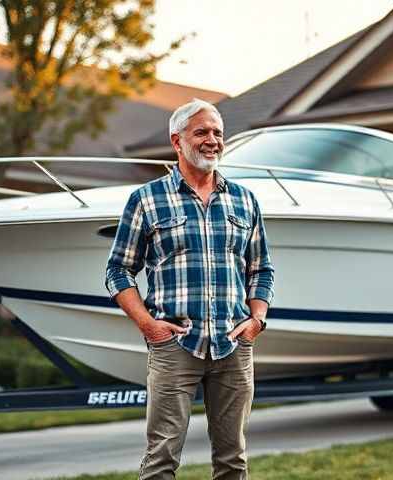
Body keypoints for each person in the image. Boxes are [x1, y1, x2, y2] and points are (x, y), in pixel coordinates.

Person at [105, 98, 275, 480]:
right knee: (161, 458)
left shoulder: (245, 201)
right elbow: (118, 271)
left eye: (217, 132)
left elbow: (261, 268)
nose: (212, 140)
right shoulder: (146, 200)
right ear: (177, 141)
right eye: (201, 132)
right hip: (174, 346)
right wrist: (149, 326)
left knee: (233, 461)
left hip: (233, 346)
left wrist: (256, 321)